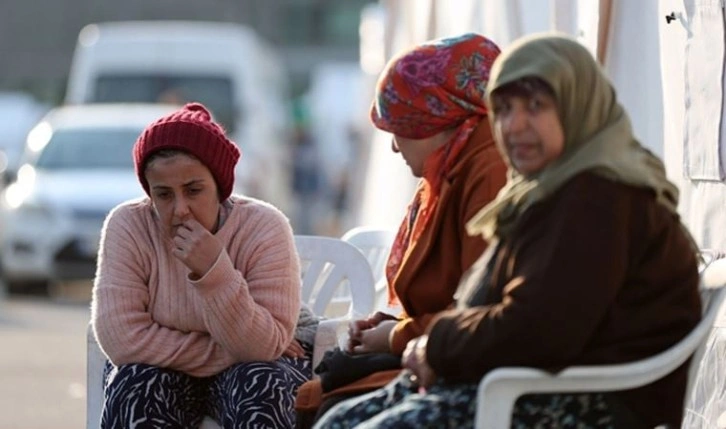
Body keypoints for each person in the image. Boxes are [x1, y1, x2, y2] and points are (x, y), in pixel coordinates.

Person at [314, 33, 702, 429]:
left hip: (582, 402)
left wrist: (434, 343)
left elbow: (537, 327)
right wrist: (423, 342)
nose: (514, 125)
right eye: (502, 108)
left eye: (535, 106)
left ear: (577, 104)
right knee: (337, 420)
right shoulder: (550, 191)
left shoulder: (598, 196)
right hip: (520, 382)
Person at [295, 32, 507, 424]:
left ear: (437, 120)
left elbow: (481, 311)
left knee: (329, 411)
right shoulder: (455, 170)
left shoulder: (488, 172)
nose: (394, 146)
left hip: (472, 373)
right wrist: (394, 328)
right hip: (446, 357)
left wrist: (396, 337)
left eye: (401, 127)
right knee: (321, 398)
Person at [91, 102, 312, 428]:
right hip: (163, 370)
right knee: (135, 384)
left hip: (250, 371)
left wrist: (213, 270)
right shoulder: (129, 225)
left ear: (220, 188)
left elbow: (263, 349)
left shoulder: (265, 226)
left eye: (193, 190)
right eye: (164, 195)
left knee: (262, 381)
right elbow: (121, 339)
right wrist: (228, 349)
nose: (180, 209)